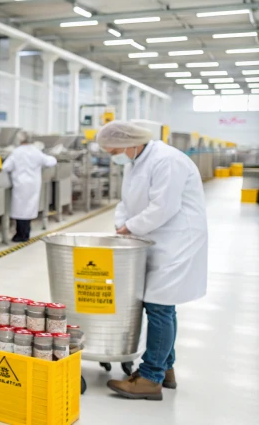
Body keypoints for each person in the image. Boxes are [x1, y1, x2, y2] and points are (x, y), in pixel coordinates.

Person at [98, 121, 208, 401]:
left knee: (159, 305)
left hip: (176, 239)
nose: (114, 156)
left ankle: (150, 377)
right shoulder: (135, 161)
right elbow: (126, 201)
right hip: (153, 238)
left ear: (130, 142)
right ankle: (165, 369)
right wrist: (122, 225)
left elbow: (164, 207)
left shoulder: (167, 160)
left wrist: (131, 227)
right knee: (160, 305)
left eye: (115, 150)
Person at [2, 131, 57, 242]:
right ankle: (25, 234)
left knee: (19, 210)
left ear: (19, 140)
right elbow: (51, 161)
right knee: (28, 209)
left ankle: (20, 235)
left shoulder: (16, 152)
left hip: (20, 184)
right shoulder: (36, 151)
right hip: (33, 184)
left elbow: (5, 167)